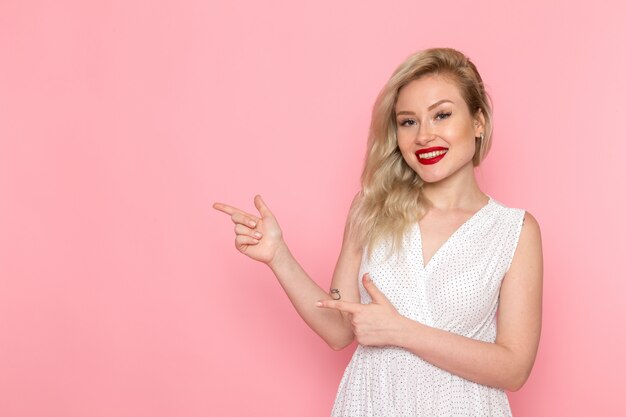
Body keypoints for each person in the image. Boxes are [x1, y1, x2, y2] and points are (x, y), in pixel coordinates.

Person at [213, 47, 543, 417]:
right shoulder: (370, 208)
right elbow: (339, 330)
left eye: (442, 115)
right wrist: (279, 256)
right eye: (408, 121)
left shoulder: (514, 230)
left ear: (478, 122)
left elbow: (514, 369)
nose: (424, 136)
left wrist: (400, 331)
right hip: (373, 404)